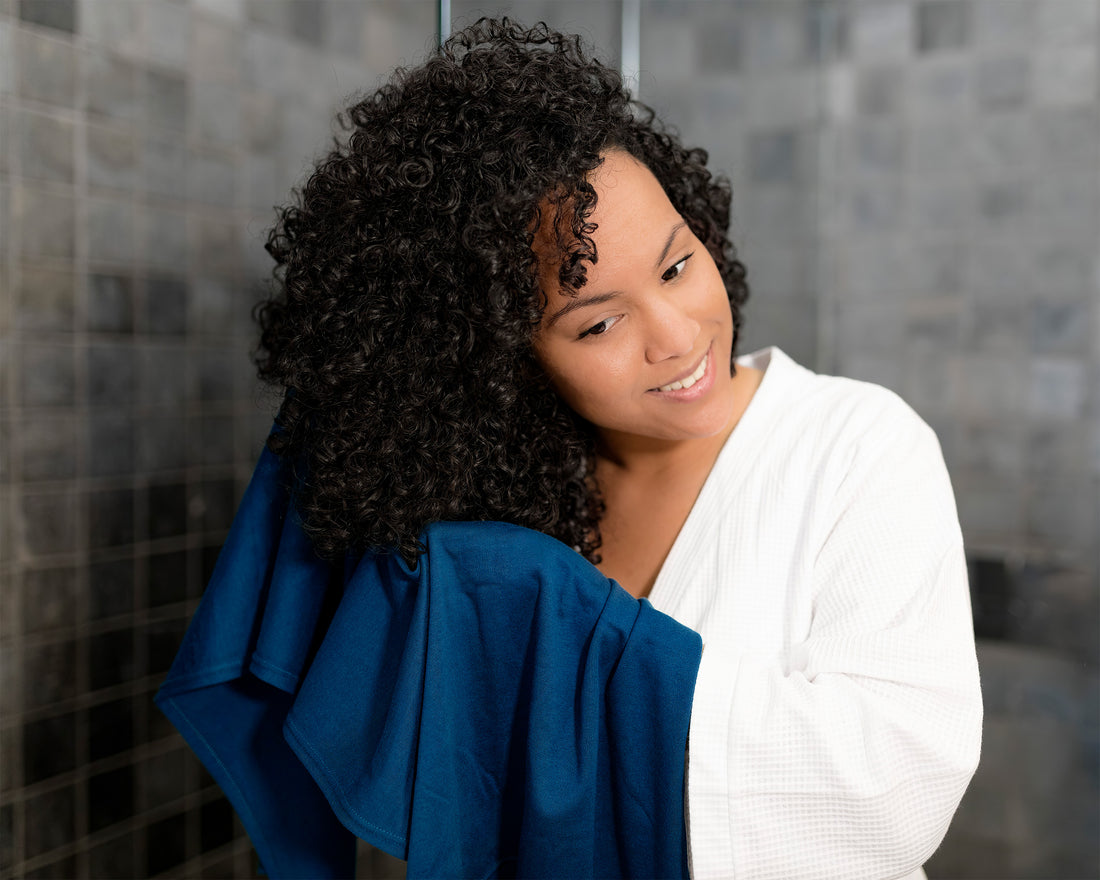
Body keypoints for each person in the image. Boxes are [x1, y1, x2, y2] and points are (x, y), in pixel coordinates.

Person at [250, 18, 982, 879]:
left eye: (676, 267)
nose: (677, 338)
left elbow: (893, 790)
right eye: (598, 322)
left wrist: (563, 613)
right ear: (497, 351)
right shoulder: (490, 518)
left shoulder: (859, 448)